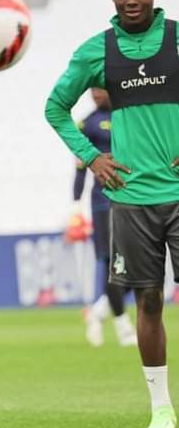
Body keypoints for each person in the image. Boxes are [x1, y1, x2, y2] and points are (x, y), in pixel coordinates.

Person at [46, 0, 178, 428]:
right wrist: (92, 157)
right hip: (130, 199)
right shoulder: (95, 52)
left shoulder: (177, 39)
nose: (132, 0)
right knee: (147, 299)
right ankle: (161, 406)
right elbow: (55, 108)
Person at [67, 88, 137, 347]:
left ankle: (98, 312)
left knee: (136, 265)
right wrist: (76, 204)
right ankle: (123, 327)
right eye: (91, 90)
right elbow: (79, 167)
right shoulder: (86, 124)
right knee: (111, 265)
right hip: (102, 203)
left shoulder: (130, 116)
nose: (95, 95)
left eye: (100, 89)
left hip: (132, 199)